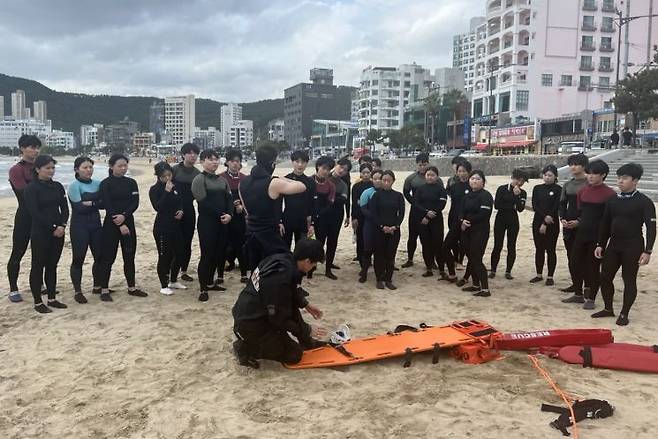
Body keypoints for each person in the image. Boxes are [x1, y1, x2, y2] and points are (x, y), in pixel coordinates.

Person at [231, 238, 327, 368]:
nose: (314, 267)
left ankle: (306, 341)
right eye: (314, 264)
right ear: (307, 261)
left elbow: (291, 292)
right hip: (251, 323)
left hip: (259, 312)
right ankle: (244, 348)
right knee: (294, 355)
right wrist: (307, 329)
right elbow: (279, 318)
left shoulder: (285, 260)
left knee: (290, 306)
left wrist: (306, 305)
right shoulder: (279, 278)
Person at [593, 163, 656, 326]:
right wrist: (600, 244)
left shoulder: (644, 202)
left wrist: (648, 251)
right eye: (619, 178)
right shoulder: (613, 200)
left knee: (629, 280)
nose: (620, 181)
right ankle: (608, 308)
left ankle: (624, 313)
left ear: (635, 181)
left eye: (625, 178)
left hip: (633, 245)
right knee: (605, 277)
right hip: (614, 244)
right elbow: (605, 224)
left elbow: (651, 227)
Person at [240, 145, 306, 272]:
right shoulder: (273, 183)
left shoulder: (243, 182)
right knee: (274, 270)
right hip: (269, 236)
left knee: (256, 271)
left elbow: (246, 210)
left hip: (251, 233)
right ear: (273, 163)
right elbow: (302, 186)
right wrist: (282, 179)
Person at [563, 160, 616, 307]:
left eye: (594, 174)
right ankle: (578, 294)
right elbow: (582, 213)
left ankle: (591, 298)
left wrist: (603, 240)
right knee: (574, 263)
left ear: (603, 175)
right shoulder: (583, 192)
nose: (590, 176)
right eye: (589, 173)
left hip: (598, 235)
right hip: (582, 233)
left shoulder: (610, 194)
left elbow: (609, 218)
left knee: (592, 267)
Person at [23, 155, 69, 313]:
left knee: (52, 266)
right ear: (37, 169)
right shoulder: (31, 188)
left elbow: (65, 208)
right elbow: (34, 213)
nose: (51, 171)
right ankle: (38, 302)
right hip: (40, 232)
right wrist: (53, 227)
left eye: (53, 168)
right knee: (37, 266)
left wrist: (62, 225)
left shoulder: (57, 186)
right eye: (47, 168)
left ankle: (51, 298)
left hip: (59, 232)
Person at [98, 153, 146, 301]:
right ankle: (104, 289)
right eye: (120, 166)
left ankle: (132, 287)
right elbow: (107, 204)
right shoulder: (105, 183)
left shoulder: (131, 183)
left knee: (129, 256)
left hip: (128, 221)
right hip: (110, 224)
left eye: (125, 165)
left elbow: (134, 203)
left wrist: (124, 216)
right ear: (112, 166)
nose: (123, 168)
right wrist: (119, 222)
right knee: (108, 257)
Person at [191, 149, 233, 302]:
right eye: (210, 159)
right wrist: (222, 214)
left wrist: (230, 214)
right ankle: (203, 288)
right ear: (202, 162)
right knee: (207, 255)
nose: (214, 162)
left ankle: (210, 282)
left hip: (223, 222)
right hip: (207, 223)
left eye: (216, 159)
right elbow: (203, 202)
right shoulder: (199, 179)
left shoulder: (222, 180)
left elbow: (229, 199)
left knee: (218, 254)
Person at [7, 135, 41, 303]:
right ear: (22, 148)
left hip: (41, 217)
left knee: (40, 253)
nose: (35, 150)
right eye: (32, 147)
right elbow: (24, 192)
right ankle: (13, 288)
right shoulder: (16, 169)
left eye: (37, 147)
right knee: (18, 252)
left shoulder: (41, 166)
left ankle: (38, 284)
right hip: (25, 216)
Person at [68, 157, 103, 304]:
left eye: (90, 167)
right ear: (77, 170)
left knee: (99, 257)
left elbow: (104, 203)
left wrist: (91, 203)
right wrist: (95, 203)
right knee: (78, 258)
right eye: (85, 167)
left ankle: (97, 286)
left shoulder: (98, 184)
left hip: (96, 225)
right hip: (79, 226)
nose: (89, 170)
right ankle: (78, 290)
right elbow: (79, 207)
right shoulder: (74, 186)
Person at [149, 162, 185, 296]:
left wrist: (181, 210)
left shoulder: (176, 186)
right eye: (164, 176)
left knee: (181, 252)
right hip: (162, 227)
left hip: (175, 225)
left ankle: (173, 280)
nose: (168, 178)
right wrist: (166, 192)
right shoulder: (155, 189)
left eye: (170, 175)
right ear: (158, 176)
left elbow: (180, 201)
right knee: (164, 256)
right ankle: (164, 285)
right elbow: (158, 207)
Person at [459, 170, 494, 297]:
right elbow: (461, 211)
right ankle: (475, 285)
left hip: (480, 230)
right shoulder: (467, 196)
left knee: (477, 259)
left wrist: (468, 220)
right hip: (466, 230)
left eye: (478, 179)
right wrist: (462, 220)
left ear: (483, 182)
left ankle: (485, 289)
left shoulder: (486, 196)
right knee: (471, 259)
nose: (474, 181)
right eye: (472, 178)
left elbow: (484, 214)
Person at [489, 169, 528, 280]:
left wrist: (516, 196)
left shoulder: (522, 192)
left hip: (513, 219)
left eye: (523, 181)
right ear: (513, 178)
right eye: (519, 180)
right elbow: (497, 205)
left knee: (511, 246)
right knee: (498, 245)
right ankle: (493, 270)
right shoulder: (502, 189)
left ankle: (508, 271)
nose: (520, 183)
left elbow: (520, 209)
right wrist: (512, 204)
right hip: (500, 218)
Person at [559, 153, 589, 292]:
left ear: (583, 166)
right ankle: (575, 284)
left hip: (584, 225)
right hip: (568, 225)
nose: (573, 167)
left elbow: (592, 208)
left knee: (583, 257)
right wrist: (562, 218)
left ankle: (587, 286)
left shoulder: (589, 184)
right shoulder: (568, 184)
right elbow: (562, 204)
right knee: (571, 255)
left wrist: (580, 221)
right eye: (571, 164)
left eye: (576, 164)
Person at [370, 170, 405, 290]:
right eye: (383, 180)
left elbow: (401, 214)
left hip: (394, 230)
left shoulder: (398, 196)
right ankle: (379, 279)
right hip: (379, 229)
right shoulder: (376, 196)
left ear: (393, 181)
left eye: (388, 180)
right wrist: (382, 226)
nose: (386, 183)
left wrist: (395, 226)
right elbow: (373, 213)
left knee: (391, 255)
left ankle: (388, 279)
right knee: (379, 255)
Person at [172, 143, 201, 282]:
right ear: (183, 155)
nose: (193, 155)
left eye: (195, 153)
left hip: (189, 209)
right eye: (190, 153)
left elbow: (199, 193)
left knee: (187, 240)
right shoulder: (175, 170)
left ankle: (184, 270)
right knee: (175, 240)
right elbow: (168, 188)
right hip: (175, 209)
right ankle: (173, 270)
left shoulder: (197, 173)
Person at [413, 166, 448, 278]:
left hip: (436, 220)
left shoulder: (441, 189)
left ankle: (442, 269)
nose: (430, 177)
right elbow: (416, 204)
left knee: (438, 244)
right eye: (428, 175)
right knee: (426, 245)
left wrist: (431, 215)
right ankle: (428, 268)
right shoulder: (420, 189)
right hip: (423, 220)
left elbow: (442, 204)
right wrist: (426, 213)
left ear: (437, 177)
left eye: (432, 175)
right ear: (425, 176)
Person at [530, 165, 562, 286]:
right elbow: (535, 205)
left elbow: (556, 206)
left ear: (555, 177)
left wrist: (548, 219)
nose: (547, 177)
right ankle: (539, 274)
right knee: (539, 249)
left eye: (550, 175)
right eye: (545, 175)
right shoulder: (537, 188)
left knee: (551, 249)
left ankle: (550, 276)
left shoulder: (558, 189)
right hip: (538, 221)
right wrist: (544, 218)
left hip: (552, 222)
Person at [220, 148, 248, 283]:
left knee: (240, 244)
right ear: (227, 163)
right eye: (232, 161)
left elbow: (249, 198)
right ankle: (220, 273)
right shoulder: (221, 178)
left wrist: (242, 207)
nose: (235, 164)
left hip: (240, 217)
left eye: (238, 161)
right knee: (223, 243)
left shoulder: (245, 179)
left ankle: (244, 274)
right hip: (224, 216)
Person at [401, 153, 434, 268]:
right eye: (420, 165)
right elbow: (406, 192)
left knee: (428, 238)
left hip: (429, 211)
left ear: (428, 164)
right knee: (412, 236)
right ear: (417, 165)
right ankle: (410, 259)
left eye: (424, 165)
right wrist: (414, 203)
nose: (422, 167)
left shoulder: (434, 178)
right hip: (415, 211)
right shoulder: (411, 178)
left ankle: (431, 261)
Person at [322, 158, 351, 279]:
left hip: (337, 215)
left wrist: (348, 215)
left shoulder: (344, 184)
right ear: (336, 165)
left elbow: (344, 200)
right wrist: (335, 197)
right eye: (341, 167)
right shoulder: (324, 177)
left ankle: (328, 268)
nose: (342, 170)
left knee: (332, 241)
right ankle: (311, 268)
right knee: (319, 241)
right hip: (322, 215)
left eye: (345, 170)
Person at [443, 160, 471, 281]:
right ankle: (452, 274)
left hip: (469, 223)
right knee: (445, 247)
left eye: (464, 171)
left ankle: (468, 276)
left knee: (470, 251)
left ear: (469, 172)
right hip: (455, 220)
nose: (462, 173)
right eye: (459, 171)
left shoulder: (473, 186)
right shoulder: (454, 187)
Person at [281, 150, 316, 249]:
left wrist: (312, 223)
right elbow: (278, 203)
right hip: (287, 218)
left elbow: (313, 204)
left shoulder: (310, 182)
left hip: (303, 220)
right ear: (292, 162)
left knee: (302, 248)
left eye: (303, 162)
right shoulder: (285, 179)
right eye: (297, 161)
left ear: (307, 163)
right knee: (285, 246)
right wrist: (279, 221)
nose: (300, 165)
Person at [309, 156, 336, 279]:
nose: (325, 171)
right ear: (317, 167)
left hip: (325, 218)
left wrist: (318, 215)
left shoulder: (331, 186)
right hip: (309, 217)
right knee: (312, 245)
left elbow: (330, 204)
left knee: (326, 244)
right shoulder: (309, 181)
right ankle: (310, 269)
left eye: (328, 169)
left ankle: (328, 270)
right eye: (323, 168)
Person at [357, 169, 384, 283]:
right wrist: (377, 218)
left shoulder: (387, 192)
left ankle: (381, 273)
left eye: (380, 179)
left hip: (382, 226)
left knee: (381, 251)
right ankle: (364, 272)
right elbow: (363, 209)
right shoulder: (367, 192)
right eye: (375, 178)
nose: (378, 181)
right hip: (369, 225)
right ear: (372, 179)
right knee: (367, 250)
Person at [351, 164, 374, 274]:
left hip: (372, 216)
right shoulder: (356, 186)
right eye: (363, 172)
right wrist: (353, 217)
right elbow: (354, 203)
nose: (365, 175)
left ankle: (369, 261)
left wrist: (362, 202)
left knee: (371, 240)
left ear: (371, 173)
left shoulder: (374, 185)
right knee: (360, 239)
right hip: (359, 216)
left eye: (368, 172)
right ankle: (362, 263)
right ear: (360, 173)